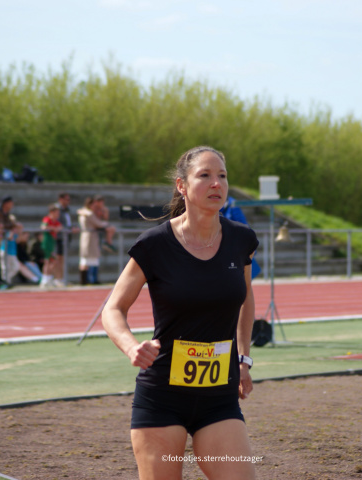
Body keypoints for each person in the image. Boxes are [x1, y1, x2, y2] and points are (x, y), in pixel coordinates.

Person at [101, 146, 258, 480]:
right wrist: (131, 347)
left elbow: (246, 300)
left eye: (222, 176)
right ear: (182, 186)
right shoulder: (155, 245)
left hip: (219, 396)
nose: (216, 183)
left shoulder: (240, 239)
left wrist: (243, 358)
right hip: (162, 397)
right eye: (205, 175)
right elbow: (113, 308)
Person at [77, 196, 111, 285]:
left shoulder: (84, 212)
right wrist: (107, 224)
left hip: (87, 236)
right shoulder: (89, 214)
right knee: (89, 259)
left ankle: (86, 280)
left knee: (87, 259)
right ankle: (91, 279)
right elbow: (98, 223)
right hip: (90, 237)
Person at [53, 192, 79, 285]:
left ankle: (62, 278)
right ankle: (57, 279)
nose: (68, 201)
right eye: (67, 199)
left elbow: (68, 222)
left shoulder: (66, 209)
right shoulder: (56, 209)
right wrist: (69, 229)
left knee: (62, 259)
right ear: (61, 199)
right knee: (58, 259)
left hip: (66, 236)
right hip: (59, 237)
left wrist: (73, 227)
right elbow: (57, 223)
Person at [40, 204, 63, 288]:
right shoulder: (47, 219)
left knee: (53, 261)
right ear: (51, 212)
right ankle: (45, 279)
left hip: (52, 242)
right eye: (57, 212)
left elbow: (60, 227)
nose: (58, 214)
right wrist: (53, 228)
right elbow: (43, 227)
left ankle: (48, 278)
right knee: (48, 261)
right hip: (47, 243)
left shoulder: (55, 221)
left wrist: (55, 228)